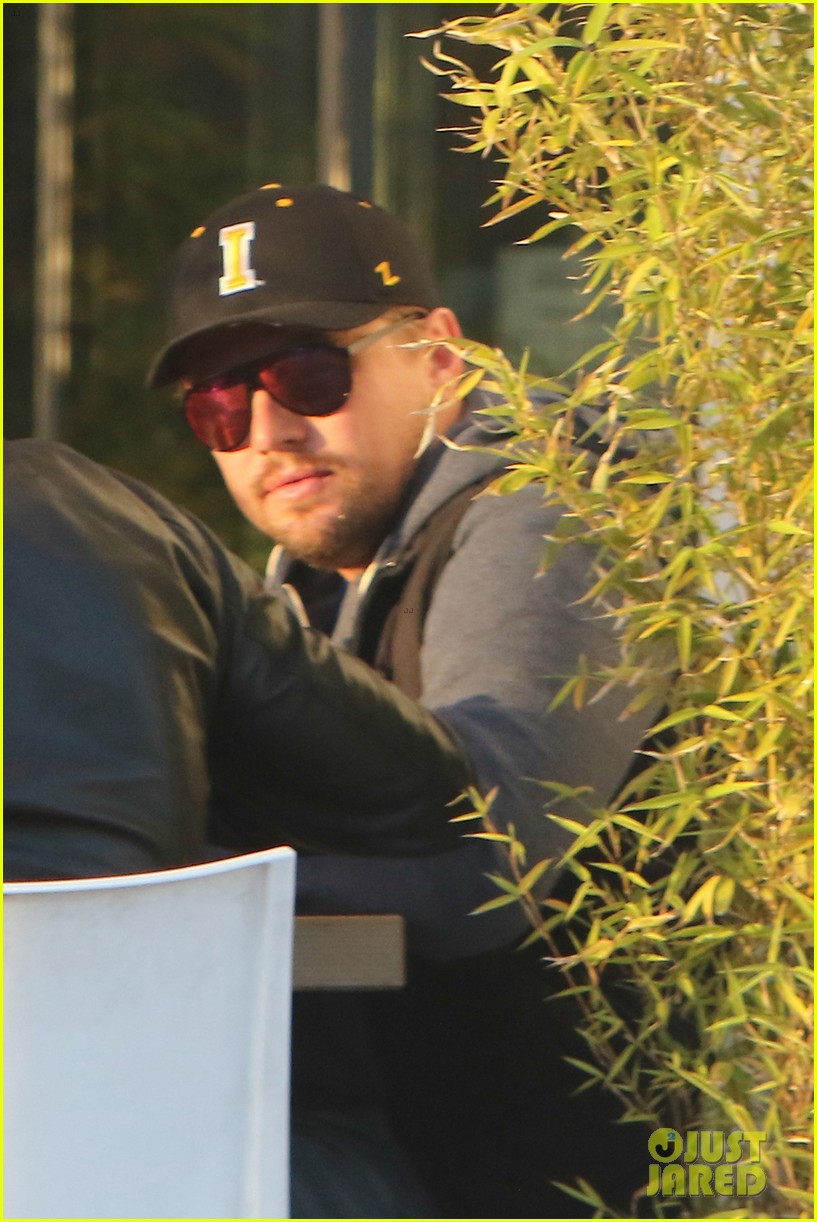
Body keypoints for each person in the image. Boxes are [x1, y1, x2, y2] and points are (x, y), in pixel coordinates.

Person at [147, 183, 665, 1217]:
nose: (268, 430)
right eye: (220, 404)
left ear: (438, 357)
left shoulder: (546, 512)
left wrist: (164, 891)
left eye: (309, 372)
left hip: (601, 1182)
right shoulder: (305, 593)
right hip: (425, 1139)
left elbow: (486, 858)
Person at [4, 437, 472, 882]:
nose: (267, 436)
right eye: (219, 410)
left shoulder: (73, 509)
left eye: (312, 387)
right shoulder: (88, 512)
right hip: (139, 931)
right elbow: (438, 804)